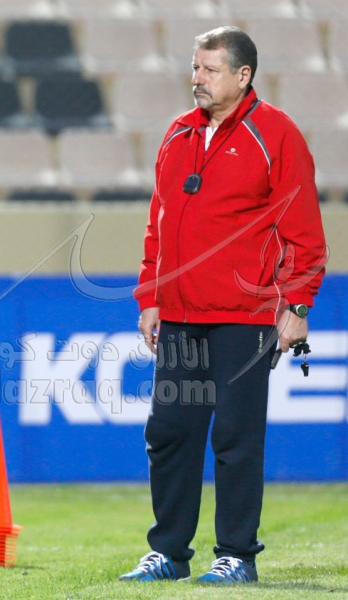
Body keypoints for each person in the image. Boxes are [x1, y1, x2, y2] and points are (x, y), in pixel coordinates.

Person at [119, 26, 326, 585]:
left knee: (235, 438)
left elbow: (305, 232)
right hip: (179, 317)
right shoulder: (177, 134)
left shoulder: (276, 134)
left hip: (244, 317)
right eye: (195, 67)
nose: (197, 79)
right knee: (169, 434)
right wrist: (150, 296)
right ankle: (168, 554)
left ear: (243, 75)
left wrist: (297, 305)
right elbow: (158, 223)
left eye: (210, 70)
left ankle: (237, 555)